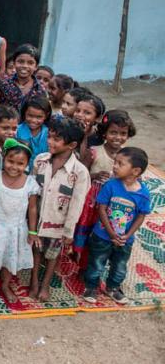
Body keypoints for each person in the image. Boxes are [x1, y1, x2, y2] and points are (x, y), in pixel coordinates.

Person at [29, 118, 90, 301]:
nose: (50, 142)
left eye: (56, 140)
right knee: (36, 251)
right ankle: (34, 282)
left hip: (58, 223)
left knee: (52, 255)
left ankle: (45, 284)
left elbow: (77, 204)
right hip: (37, 218)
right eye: (50, 137)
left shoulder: (79, 173)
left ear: (71, 145)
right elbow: (32, 190)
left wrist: (69, 231)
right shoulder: (41, 161)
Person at [83, 147, 151, 305]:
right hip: (102, 235)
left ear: (135, 171)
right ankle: (91, 286)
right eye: (115, 162)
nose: (114, 166)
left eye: (120, 164)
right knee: (96, 262)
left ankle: (113, 287)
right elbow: (101, 208)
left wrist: (127, 236)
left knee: (120, 265)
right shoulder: (111, 185)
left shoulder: (143, 194)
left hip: (124, 240)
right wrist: (110, 232)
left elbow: (141, 215)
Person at [0, 140, 40, 302]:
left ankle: (5, 284)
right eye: (10, 161)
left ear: (26, 164)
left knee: (10, 259)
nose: (14, 166)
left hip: (17, 228)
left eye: (20, 163)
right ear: (3, 158)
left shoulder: (30, 183)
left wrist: (32, 231)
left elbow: (32, 209)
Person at [73, 109, 136, 269]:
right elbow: (82, 174)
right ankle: (83, 263)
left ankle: (100, 261)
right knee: (89, 230)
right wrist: (94, 176)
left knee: (108, 231)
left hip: (114, 203)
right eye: (113, 132)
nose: (118, 137)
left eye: (123, 133)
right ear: (104, 133)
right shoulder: (94, 152)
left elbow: (134, 177)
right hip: (93, 201)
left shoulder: (129, 157)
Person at [0, 44, 47, 111]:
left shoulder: (40, 89)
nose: (25, 66)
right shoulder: (4, 85)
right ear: (14, 63)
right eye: (21, 62)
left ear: (36, 66)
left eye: (30, 63)